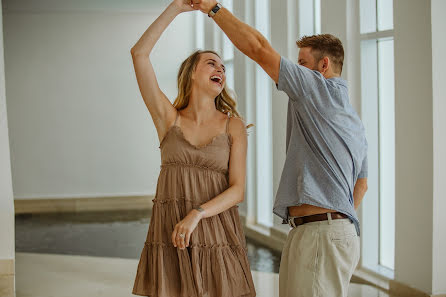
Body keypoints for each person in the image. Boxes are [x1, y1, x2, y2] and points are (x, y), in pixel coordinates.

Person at [192, 1, 369, 297]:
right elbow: (361, 187)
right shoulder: (353, 120)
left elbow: (259, 49)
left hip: (320, 233)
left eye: (302, 64)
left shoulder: (317, 89)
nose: (295, 70)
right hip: (326, 231)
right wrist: (336, 227)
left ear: (323, 66)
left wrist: (213, 8)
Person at [130, 1, 256, 296]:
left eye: (223, 67)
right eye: (211, 63)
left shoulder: (234, 126)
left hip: (216, 231)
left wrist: (197, 213)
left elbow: (237, 190)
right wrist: (175, 7)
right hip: (172, 231)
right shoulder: (168, 119)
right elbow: (139, 55)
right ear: (191, 75)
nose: (220, 70)